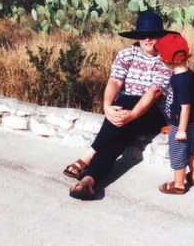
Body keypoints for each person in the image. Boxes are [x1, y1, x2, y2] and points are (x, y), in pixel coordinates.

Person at [64, 11, 177, 200]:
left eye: (153, 35)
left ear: (161, 36)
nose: (147, 39)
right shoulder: (127, 53)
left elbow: (154, 92)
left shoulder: (168, 59)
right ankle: (88, 182)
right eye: (143, 35)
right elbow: (115, 81)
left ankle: (87, 156)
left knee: (128, 100)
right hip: (127, 112)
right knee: (117, 141)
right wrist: (107, 107)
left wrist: (131, 114)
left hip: (155, 113)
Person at [154, 33, 194, 195]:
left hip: (182, 124)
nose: (160, 59)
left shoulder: (180, 80)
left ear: (171, 59)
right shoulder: (187, 73)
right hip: (189, 122)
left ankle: (179, 185)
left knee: (177, 153)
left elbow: (185, 106)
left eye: (161, 57)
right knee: (189, 149)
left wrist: (180, 129)